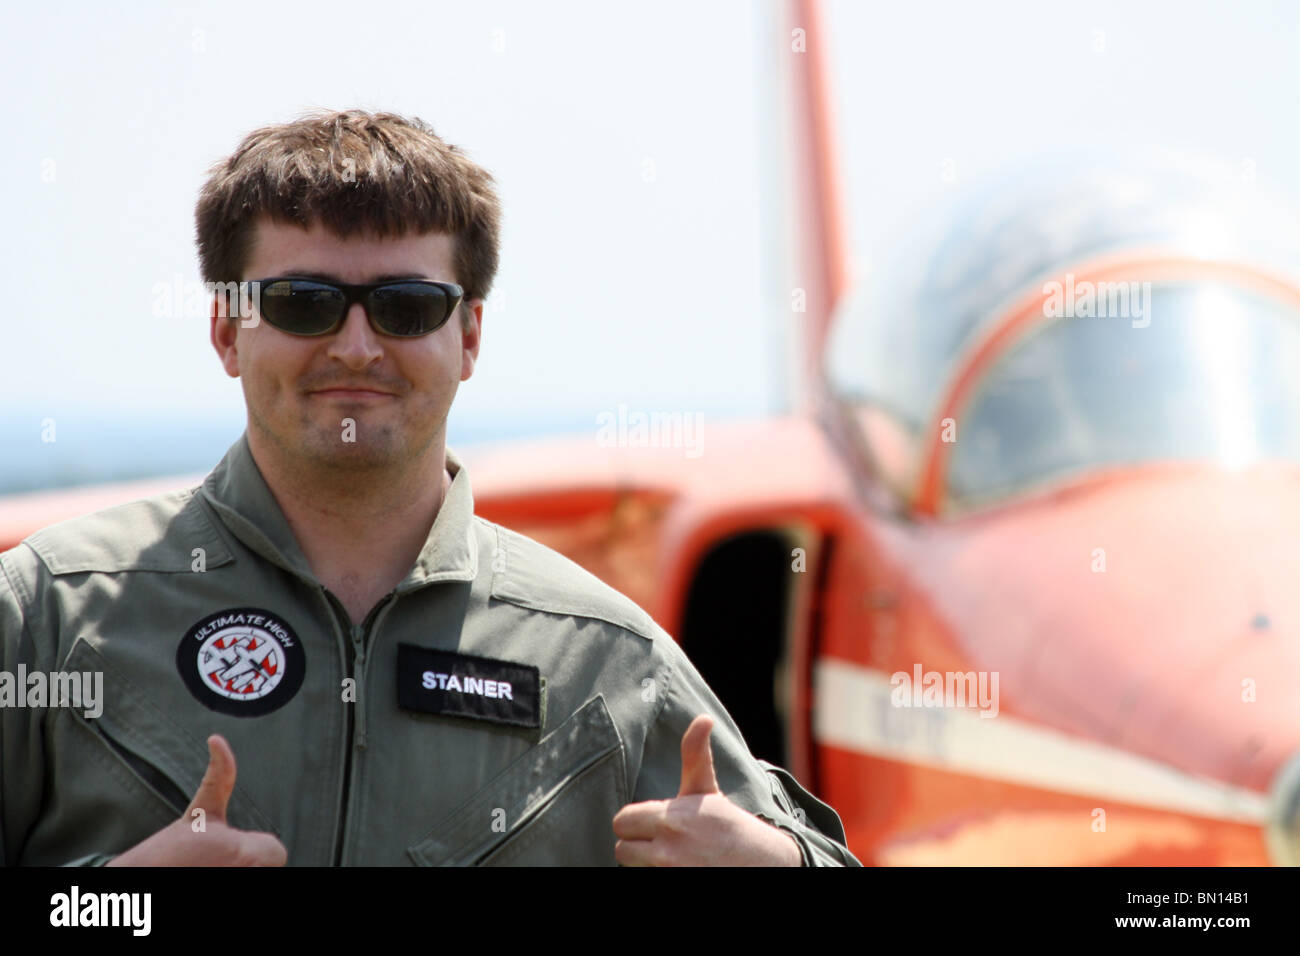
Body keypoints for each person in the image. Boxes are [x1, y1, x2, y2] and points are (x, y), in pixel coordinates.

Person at [0, 109, 860, 867]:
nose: (358, 347)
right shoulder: (49, 613)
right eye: (304, 302)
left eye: (407, 307)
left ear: (470, 335)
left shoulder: (605, 660)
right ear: (228, 330)